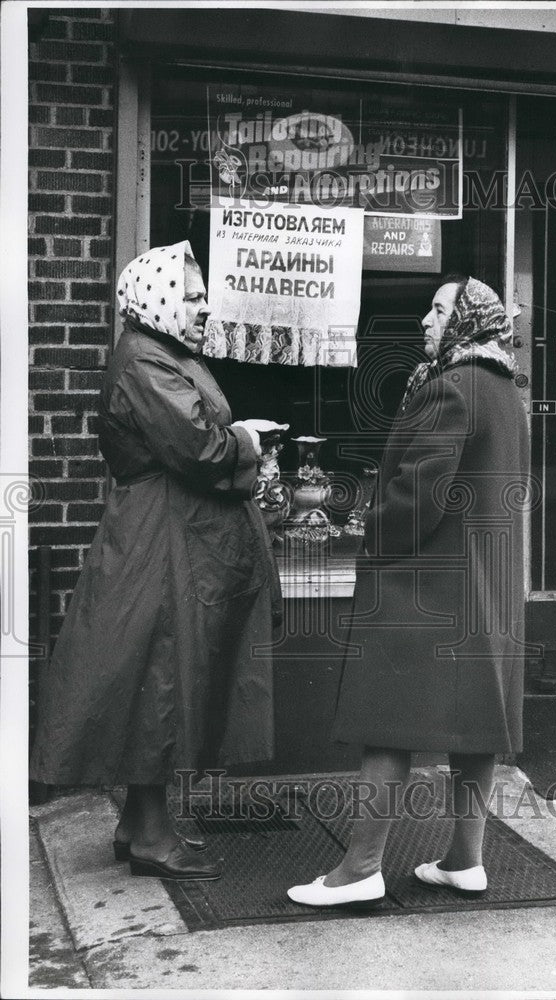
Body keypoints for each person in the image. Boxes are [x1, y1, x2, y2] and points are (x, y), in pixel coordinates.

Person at [30, 241, 285, 881]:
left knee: (165, 673)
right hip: (159, 544)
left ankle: (140, 823)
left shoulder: (158, 353)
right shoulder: (146, 359)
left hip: (170, 539)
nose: (204, 308)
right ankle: (149, 835)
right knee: (162, 676)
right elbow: (197, 448)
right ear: (161, 299)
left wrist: (235, 438)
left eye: (202, 297)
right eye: (193, 297)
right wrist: (247, 439)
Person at [288, 276, 529, 907]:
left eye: (439, 308)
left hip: (427, 579)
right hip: (484, 581)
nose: (426, 319)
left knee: (385, 720)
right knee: (479, 724)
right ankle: (465, 860)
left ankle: (361, 868)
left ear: (465, 320)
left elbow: (421, 491)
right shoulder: (505, 388)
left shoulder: (451, 386)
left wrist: (373, 535)